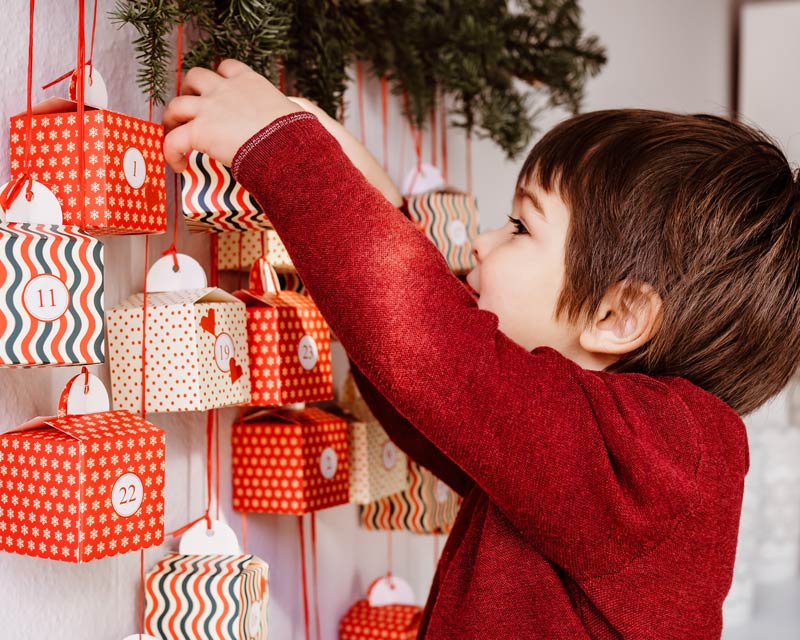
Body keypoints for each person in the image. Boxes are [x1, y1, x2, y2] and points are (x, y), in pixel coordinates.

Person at [163, 59, 800, 639]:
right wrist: (376, 206)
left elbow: (440, 355)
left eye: (521, 226)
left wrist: (282, 150)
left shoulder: (664, 456)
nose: (483, 244)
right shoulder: (580, 455)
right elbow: (433, 405)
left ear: (618, 315)